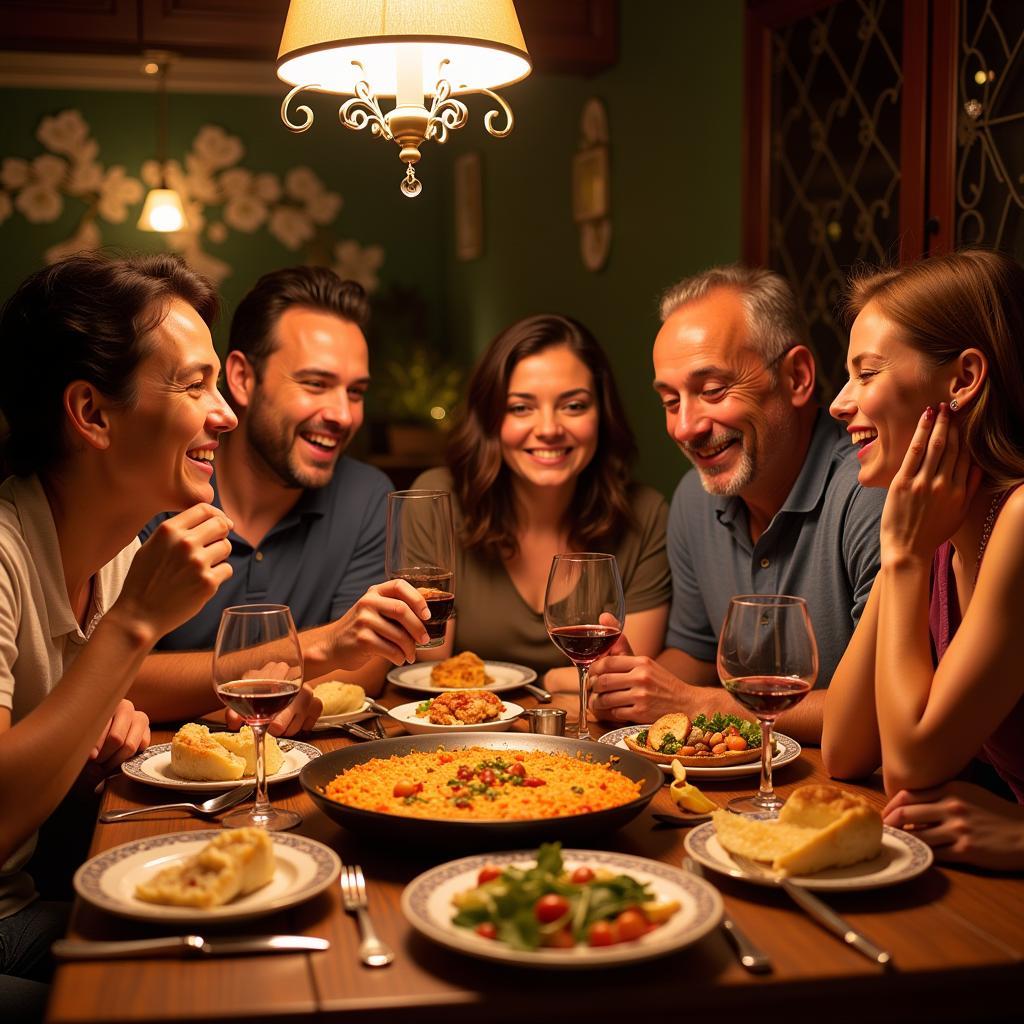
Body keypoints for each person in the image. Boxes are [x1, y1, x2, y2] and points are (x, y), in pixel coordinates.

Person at [0, 252, 237, 1017]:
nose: (226, 412)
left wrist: (105, 708)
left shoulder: (117, 548)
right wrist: (134, 624)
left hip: (22, 906)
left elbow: (84, 706)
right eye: (195, 384)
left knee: (231, 957)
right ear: (93, 413)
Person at [588, 265, 885, 744]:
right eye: (669, 400)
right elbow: (695, 655)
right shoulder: (693, 498)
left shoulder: (869, 493)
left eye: (712, 390)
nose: (685, 427)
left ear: (797, 376)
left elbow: (880, 707)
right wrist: (632, 686)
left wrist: (699, 704)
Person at [136, 267, 432, 721]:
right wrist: (280, 678)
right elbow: (118, 678)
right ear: (241, 379)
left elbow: (368, 662)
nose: (342, 414)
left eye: (356, 392)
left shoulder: (367, 495)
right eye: (315, 383)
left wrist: (267, 694)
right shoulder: (157, 492)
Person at [824, 250, 1024, 871]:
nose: (839, 402)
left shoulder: (1019, 517)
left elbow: (908, 764)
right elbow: (845, 749)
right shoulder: (942, 527)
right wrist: (905, 549)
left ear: (963, 379)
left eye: (866, 374)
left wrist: (905, 556)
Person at [414, 314, 670, 689]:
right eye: (521, 407)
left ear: (602, 413)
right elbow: (428, 664)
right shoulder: (437, 502)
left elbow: (622, 678)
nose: (549, 429)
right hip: (460, 736)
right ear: (490, 418)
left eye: (574, 406)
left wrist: (545, 682)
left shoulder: (645, 515)